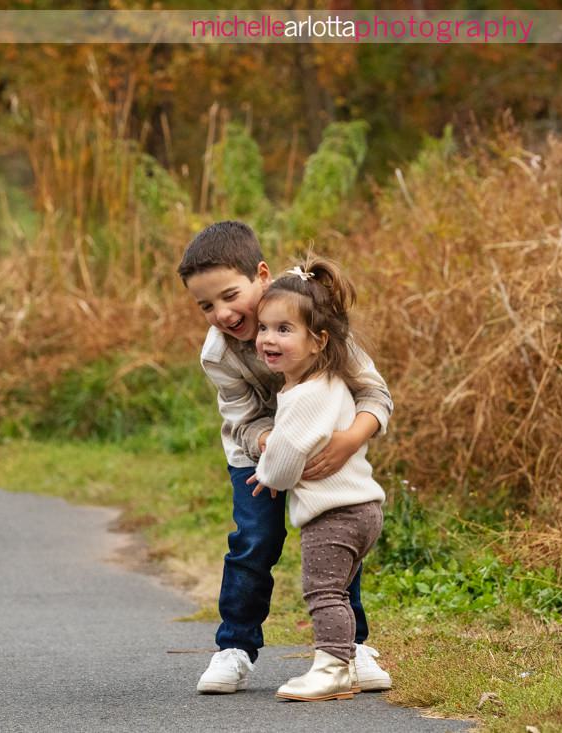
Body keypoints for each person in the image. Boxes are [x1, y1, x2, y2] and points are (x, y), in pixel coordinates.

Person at [177, 221, 392, 694]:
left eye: (230, 295)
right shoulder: (218, 353)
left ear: (261, 275)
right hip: (257, 455)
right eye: (206, 306)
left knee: (333, 536)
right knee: (255, 541)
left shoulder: (311, 311)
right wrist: (270, 444)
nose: (222, 313)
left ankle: (350, 646)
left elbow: (374, 393)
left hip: (326, 449)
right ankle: (235, 646)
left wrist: (350, 439)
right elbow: (241, 418)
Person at [251, 256, 386, 701]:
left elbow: (284, 460)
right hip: (364, 509)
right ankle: (352, 665)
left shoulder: (303, 397)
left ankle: (332, 668)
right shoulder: (332, 382)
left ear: (318, 341)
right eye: (264, 328)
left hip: (333, 515)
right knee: (339, 591)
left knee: (323, 593)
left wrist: (266, 473)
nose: (268, 339)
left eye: (284, 330)